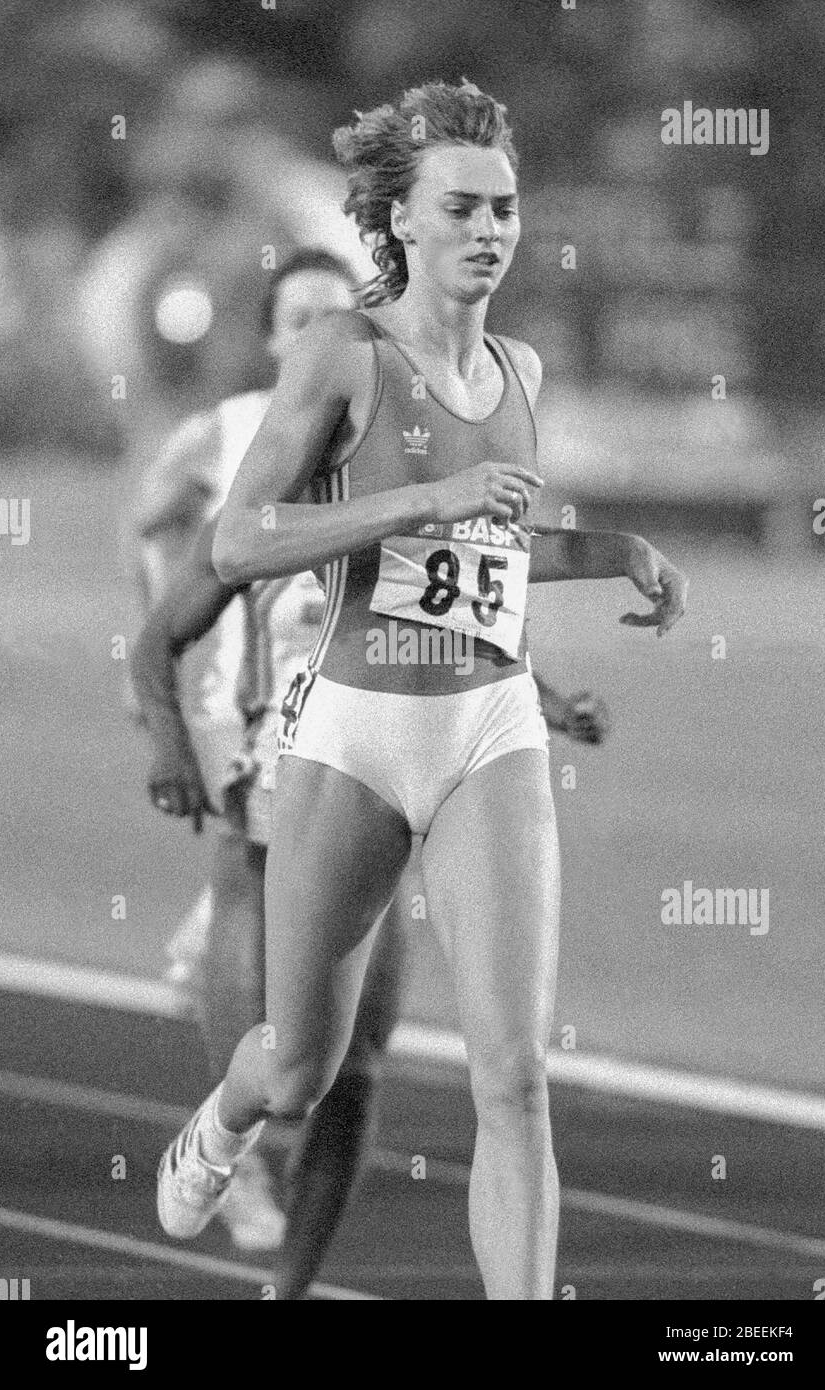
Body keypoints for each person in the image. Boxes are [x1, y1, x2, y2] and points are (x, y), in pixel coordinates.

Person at [157, 79, 687, 1300]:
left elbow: (490, 558)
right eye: (463, 208)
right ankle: (227, 1117)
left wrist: (614, 554)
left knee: (512, 1075)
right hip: (352, 730)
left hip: (486, 725)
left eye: (504, 206)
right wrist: (418, 499)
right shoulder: (345, 354)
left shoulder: (522, 369)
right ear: (399, 222)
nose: (491, 229)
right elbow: (236, 543)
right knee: (299, 1063)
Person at [133, 250, 362, 1255]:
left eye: (335, 312)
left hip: (356, 698)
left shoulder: (373, 422)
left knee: (336, 915)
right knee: (246, 875)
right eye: (299, 314)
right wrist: (153, 646)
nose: (319, 328)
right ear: (271, 335)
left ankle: (284, 1062)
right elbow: (150, 522)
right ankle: (248, 1160)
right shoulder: (224, 430)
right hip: (246, 692)